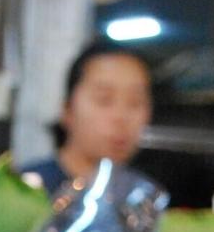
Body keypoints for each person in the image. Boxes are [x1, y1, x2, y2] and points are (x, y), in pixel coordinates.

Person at [20, 40, 155, 195]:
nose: (121, 117)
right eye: (104, 99)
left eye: (135, 102)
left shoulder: (142, 198)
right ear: (68, 109)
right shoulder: (28, 190)